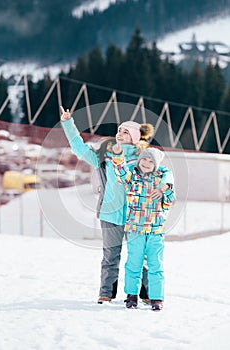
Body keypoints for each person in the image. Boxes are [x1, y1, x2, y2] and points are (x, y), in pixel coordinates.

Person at [60, 106, 174, 304]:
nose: (120, 134)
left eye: (125, 132)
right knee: (110, 257)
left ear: (135, 138)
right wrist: (68, 123)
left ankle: (146, 295)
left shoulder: (143, 158)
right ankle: (106, 293)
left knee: (141, 257)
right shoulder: (105, 156)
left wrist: (165, 186)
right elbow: (79, 148)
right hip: (110, 214)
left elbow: (164, 171)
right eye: (119, 130)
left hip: (137, 216)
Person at [112, 143, 175, 310]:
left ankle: (157, 298)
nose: (146, 163)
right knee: (134, 263)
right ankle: (131, 295)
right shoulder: (132, 178)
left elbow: (170, 201)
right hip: (135, 229)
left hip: (156, 230)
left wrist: (165, 190)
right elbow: (120, 172)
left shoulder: (162, 181)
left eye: (150, 161)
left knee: (156, 265)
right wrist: (117, 155)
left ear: (156, 165)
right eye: (144, 159)